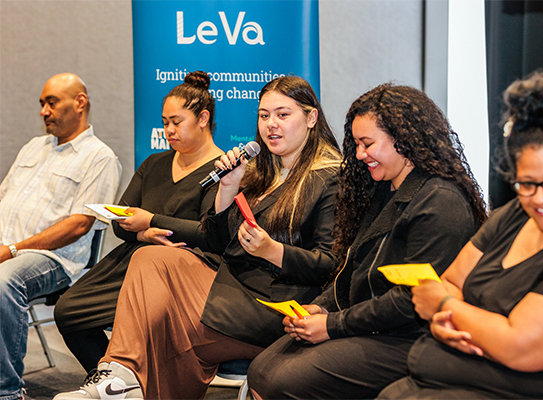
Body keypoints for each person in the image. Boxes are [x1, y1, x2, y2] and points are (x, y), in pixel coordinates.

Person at [53, 75, 342, 400]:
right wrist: (229, 187)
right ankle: (120, 378)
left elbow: (328, 266)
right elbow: (218, 239)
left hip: (271, 303)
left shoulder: (328, 176)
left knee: (160, 308)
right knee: (150, 261)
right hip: (233, 285)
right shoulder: (263, 170)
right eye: (264, 115)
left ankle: (121, 381)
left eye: (282, 114)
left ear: (311, 117)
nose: (270, 125)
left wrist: (272, 250)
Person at [247, 84, 488, 399]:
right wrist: (318, 309)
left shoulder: (441, 202)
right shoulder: (382, 191)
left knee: (284, 381)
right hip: (366, 324)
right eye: (357, 144)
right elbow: (351, 271)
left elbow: (408, 301)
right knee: (260, 370)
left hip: (410, 338)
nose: (360, 155)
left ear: (404, 139)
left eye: (367, 144)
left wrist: (334, 325)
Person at [378, 72, 543, 399]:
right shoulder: (516, 214)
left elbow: (519, 345)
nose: (540, 198)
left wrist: (442, 305)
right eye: (527, 184)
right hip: (441, 378)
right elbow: (451, 280)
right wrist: (446, 318)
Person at [53, 70, 224, 373]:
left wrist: (151, 219)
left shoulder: (223, 170)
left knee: (144, 325)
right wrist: (143, 234)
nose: (169, 130)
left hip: (181, 270)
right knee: (68, 313)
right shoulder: (154, 164)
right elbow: (119, 219)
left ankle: (127, 381)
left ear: (203, 119)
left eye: (176, 122)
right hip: (132, 259)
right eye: (164, 122)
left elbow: (210, 234)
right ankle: (112, 378)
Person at [0, 73, 121, 400]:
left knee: (3, 281)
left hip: (54, 258)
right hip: (6, 247)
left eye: (51, 102)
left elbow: (79, 224)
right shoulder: (33, 148)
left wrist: (12, 249)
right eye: (42, 104)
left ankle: (7, 393)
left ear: (80, 103)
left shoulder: (100, 158)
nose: (44, 111)